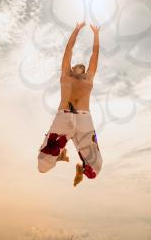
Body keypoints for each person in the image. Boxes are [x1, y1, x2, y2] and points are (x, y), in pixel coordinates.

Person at [37, 22, 103, 186]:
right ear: (72, 67)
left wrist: (96, 34)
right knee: (42, 166)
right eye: (77, 66)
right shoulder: (66, 74)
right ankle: (59, 156)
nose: (81, 66)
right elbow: (68, 50)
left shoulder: (88, 78)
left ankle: (81, 168)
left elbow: (95, 55)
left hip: (84, 119)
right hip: (63, 117)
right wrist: (77, 30)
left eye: (84, 66)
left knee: (96, 169)